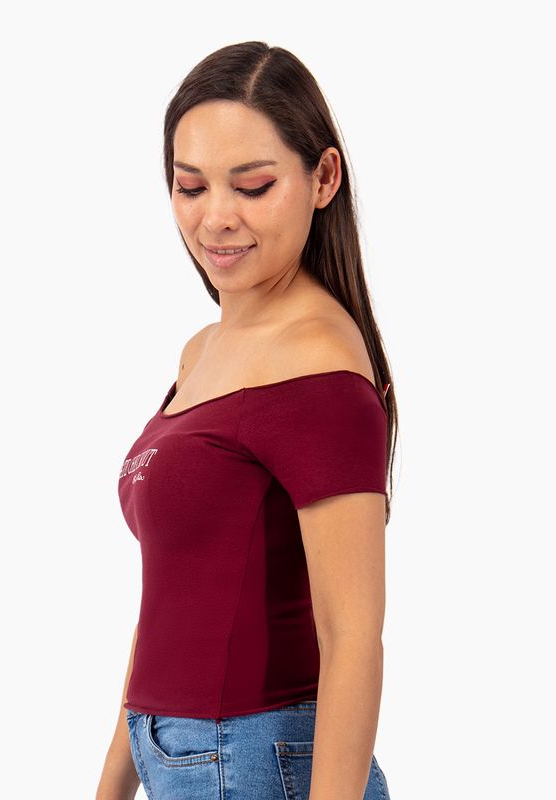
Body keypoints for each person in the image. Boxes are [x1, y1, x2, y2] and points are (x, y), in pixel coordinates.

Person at [96, 41, 398, 800]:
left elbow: (353, 637)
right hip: (181, 756)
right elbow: (167, 602)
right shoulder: (202, 351)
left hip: (257, 763)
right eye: (190, 186)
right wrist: (111, 786)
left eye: (253, 186)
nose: (216, 218)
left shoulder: (318, 364)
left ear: (323, 178)